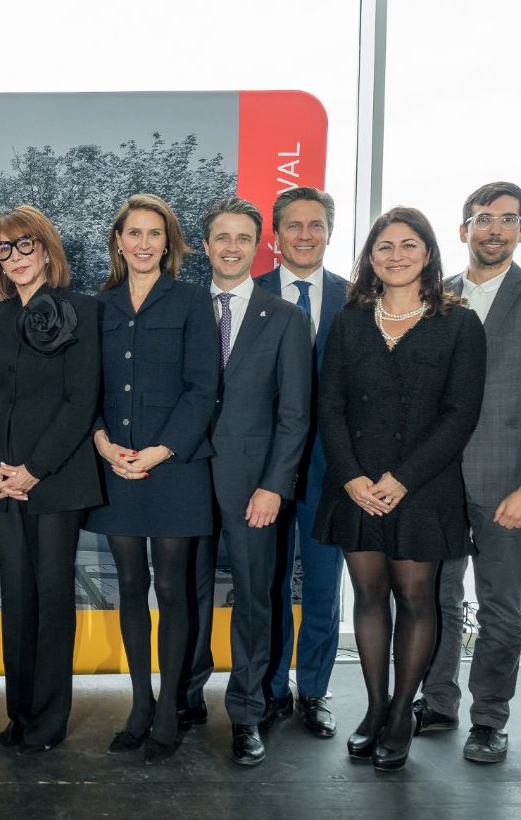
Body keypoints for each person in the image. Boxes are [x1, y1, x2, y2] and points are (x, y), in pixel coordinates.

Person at [313, 206, 486, 772]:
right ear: (369, 257)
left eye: (408, 245)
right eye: (384, 246)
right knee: (367, 597)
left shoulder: (459, 324)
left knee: (415, 598)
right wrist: (353, 477)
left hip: (424, 487)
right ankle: (376, 706)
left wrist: (401, 479)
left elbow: (460, 415)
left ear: (429, 253)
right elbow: (330, 407)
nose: (395, 255)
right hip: (356, 484)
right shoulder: (349, 322)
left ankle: (401, 715)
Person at [414, 182, 521, 763]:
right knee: (435, 597)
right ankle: (437, 702)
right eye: (483, 218)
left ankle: (489, 718)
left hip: (509, 482)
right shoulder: (436, 295)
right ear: (463, 230)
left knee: (500, 605)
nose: (494, 229)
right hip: (434, 479)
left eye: (507, 219)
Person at [84, 194, 217, 763]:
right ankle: (139, 704)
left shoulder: (190, 302)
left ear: (169, 243)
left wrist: (159, 452)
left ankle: (169, 712)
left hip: (176, 468)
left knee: (172, 590)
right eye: (133, 232)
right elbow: (83, 387)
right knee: (130, 589)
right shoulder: (100, 306)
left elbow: (203, 388)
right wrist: (104, 443)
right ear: (118, 240)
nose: (143, 242)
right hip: (116, 466)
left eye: (154, 233)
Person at [0, 204, 103, 756]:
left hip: (57, 480)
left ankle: (48, 721)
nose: (16, 257)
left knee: (51, 600)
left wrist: (33, 469)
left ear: (47, 249)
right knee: (17, 601)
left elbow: (80, 401)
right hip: (3, 482)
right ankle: (19, 715)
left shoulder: (84, 311)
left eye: (26, 246)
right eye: (5, 249)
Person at [195, 197, 311, 766]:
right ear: (206, 244)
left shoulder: (285, 317)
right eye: (222, 237)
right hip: (183, 477)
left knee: (254, 603)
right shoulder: (185, 307)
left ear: (259, 245)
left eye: (244, 237)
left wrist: (274, 485)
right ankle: (186, 699)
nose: (232, 247)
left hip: (253, 488)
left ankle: (247, 713)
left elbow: (295, 415)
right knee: (184, 595)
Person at [254, 186, 350, 739]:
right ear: (276, 235)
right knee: (265, 584)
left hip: (330, 468)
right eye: (294, 225)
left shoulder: (356, 297)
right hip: (265, 465)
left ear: (329, 232)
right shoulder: (251, 292)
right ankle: (270, 691)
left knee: (321, 585)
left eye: (316, 225)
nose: (306, 234)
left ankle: (314, 691)